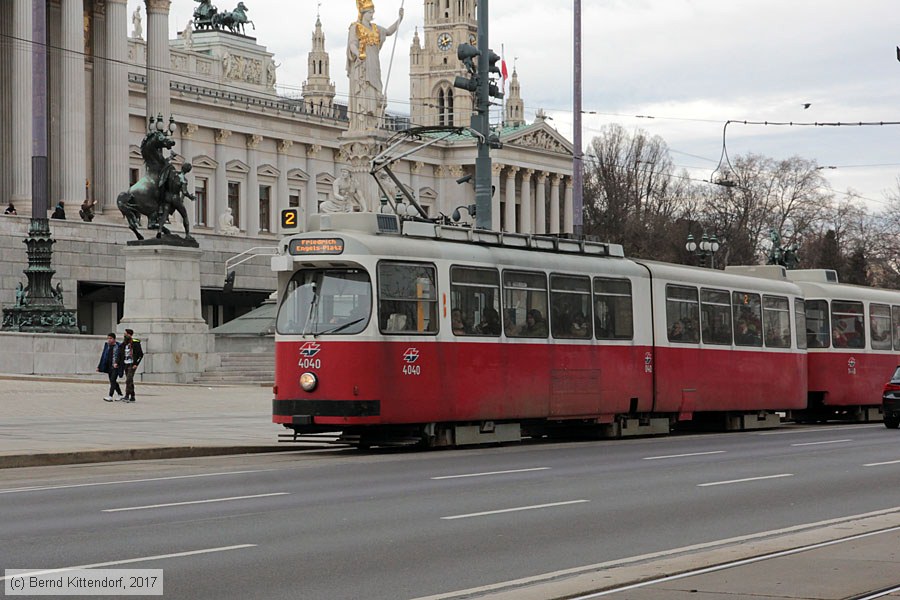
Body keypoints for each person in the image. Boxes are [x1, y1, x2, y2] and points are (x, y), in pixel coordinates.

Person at [346, 0, 403, 131]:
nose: (372, 15)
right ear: (363, 13)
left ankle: (371, 124)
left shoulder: (376, 29)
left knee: (374, 92)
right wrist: (358, 54)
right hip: (362, 66)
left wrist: (400, 19)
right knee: (364, 94)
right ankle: (361, 125)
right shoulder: (355, 27)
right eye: (370, 12)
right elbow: (352, 44)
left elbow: (388, 31)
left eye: (373, 12)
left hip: (374, 67)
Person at [115, 329, 143, 403]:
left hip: (132, 364)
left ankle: (127, 395)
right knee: (130, 380)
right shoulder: (123, 344)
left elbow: (140, 355)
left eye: (126, 334)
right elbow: (119, 355)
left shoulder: (135, 343)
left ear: (130, 335)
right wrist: (117, 362)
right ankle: (132, 396)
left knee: (128, 380)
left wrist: (136, 364)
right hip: (125, 364)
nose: (125, 335)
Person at [97, 333, 124, 402]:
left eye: (110, 338)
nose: (109, 340)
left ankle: (110, 396)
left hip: (116, 366)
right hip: (108, 366)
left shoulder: (119, 346)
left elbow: (121, 357)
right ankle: (120, 394)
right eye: (108, 338)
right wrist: (99, 366)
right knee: (113, 381)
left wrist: (117, 363)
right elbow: (103, 356)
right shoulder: (107, 346)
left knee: (112, 380)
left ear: (114, 339)